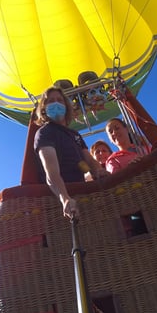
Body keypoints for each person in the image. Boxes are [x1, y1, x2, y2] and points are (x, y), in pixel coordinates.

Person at [34, 86, 108, 219]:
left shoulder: (75, 135)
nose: (56, 103)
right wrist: (64, 198)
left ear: (66, 106)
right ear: (43, 108)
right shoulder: (44, 133)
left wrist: (98, 170)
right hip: (60, 195)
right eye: (50, 101)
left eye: (59, 100)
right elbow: (51, 171)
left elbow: (89, 160)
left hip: (81, 192)